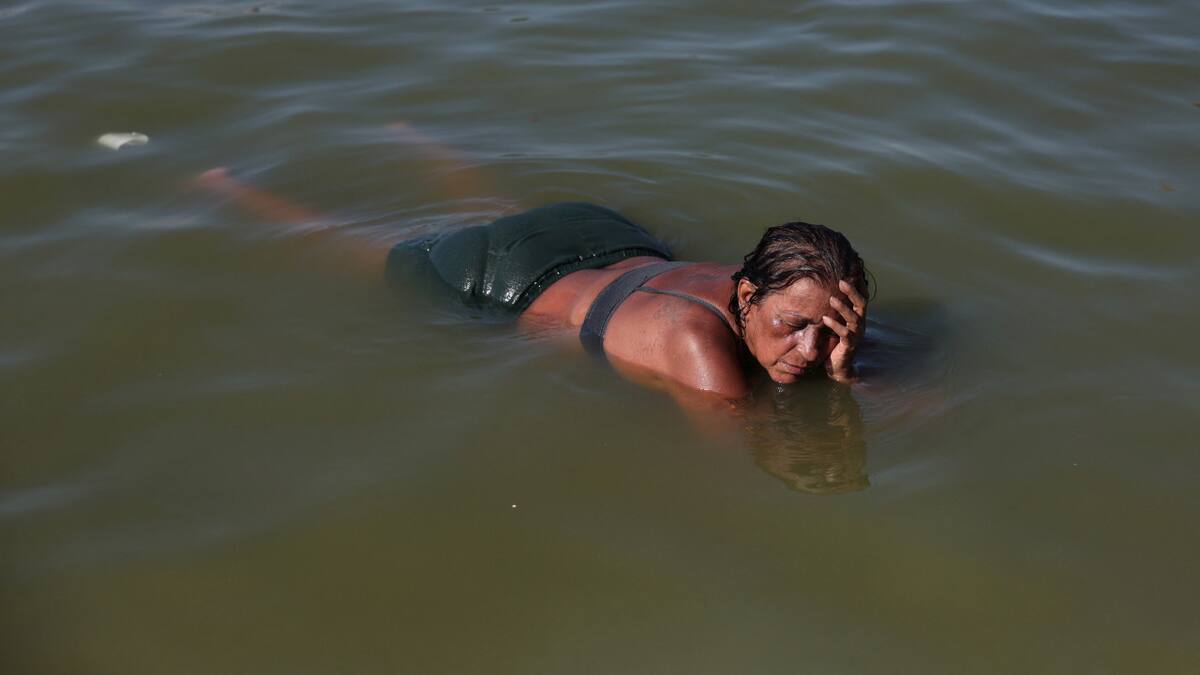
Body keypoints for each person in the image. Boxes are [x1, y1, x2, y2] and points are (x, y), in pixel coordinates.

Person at [193, 125, 870, 413]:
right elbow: (752, 467)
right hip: (504, 278)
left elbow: (802, 342)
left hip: (601, 233)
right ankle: (224, 187)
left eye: (827, 330)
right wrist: (846, 389)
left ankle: (413, 135)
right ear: (749, 295)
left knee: (505, 209)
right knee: (350, 246)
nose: (808, 348)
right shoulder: (701, 351)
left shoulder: (775, 278)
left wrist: (841, 365)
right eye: (793, 326)